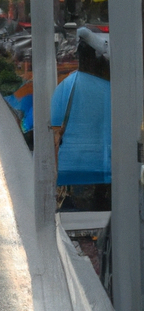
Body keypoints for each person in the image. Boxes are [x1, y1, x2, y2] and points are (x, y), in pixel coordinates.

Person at [50, 28, 111, 200]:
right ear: (96, 60)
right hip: (103, 169)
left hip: (70, 169)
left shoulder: (65, 86)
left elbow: (54, 133)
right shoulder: (110, 90)